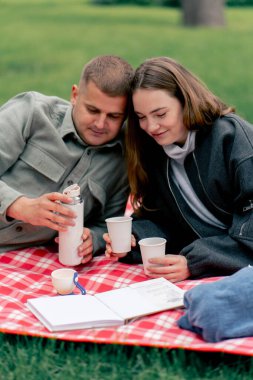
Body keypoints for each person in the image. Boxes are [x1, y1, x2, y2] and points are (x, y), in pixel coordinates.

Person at [104, 56, 253, 282]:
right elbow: (163, 217)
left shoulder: (232, 139)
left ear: (186, 100)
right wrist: (134, 239)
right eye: (141, 117)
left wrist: (197, 261)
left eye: (161, 114)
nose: (151, 127)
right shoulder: (158, 152)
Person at [0, 55, 134, 263]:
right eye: (93, 110)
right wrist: (20, 206)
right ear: (75, 95)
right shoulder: (32, 111)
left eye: (114, 116)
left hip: (19, 259)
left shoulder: (122, 161)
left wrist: (94, 240)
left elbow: (106, 223)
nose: (100, 124)